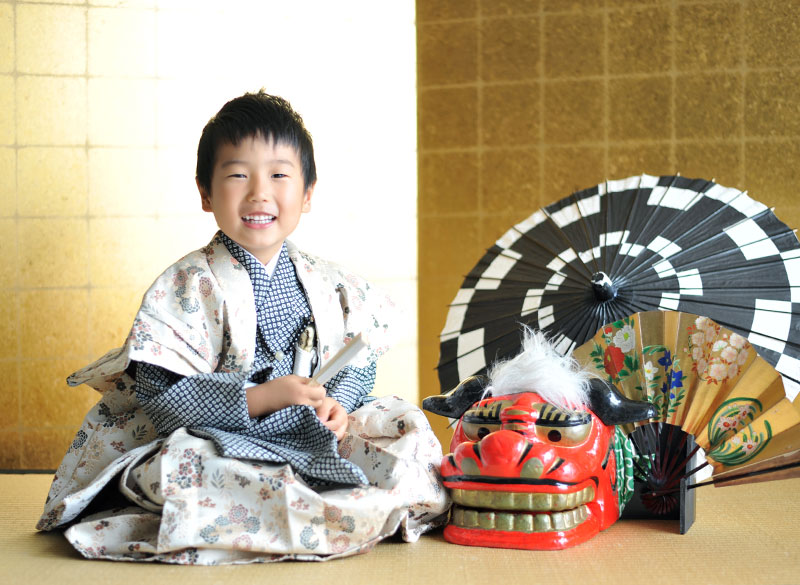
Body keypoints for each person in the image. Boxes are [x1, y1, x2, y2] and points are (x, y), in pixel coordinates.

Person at [36, 91, 449, 564]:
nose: (259, 193)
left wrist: (336, 403)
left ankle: (308, 510)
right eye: (238, 174)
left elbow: (359, 355)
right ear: (206, 192)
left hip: (311, 429)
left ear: (308, 193)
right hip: (218, 434)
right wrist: (257, 399)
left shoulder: (330, 283)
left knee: (407, 427)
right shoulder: (187, 285)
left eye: (278, 174)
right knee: (186, 468)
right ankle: (324, 513)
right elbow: (159, 388)